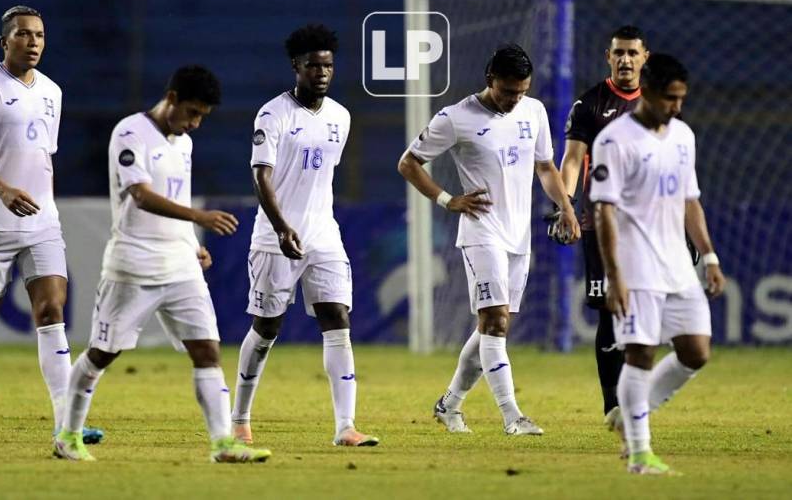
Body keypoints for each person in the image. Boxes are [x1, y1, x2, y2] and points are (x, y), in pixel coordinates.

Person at [53, 66, 271, 463]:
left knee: (207, 350)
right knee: (103, 352)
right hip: (133, 265)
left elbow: (177, 193)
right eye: (191, 112)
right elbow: (140, 195)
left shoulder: (182, 143)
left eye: (202, 115)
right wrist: (199, 218)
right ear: (170, 97)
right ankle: (67, 435)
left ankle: (223, 443)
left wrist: (191, 243)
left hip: (179, 267)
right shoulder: (131, 132)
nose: (195, 123)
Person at [398, 44, 580, 435]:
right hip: (481, 231)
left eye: (521, 91)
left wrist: (566, 205)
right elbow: (408, 163)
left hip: (519, 236)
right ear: (489, 79)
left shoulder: (533, 111)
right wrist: (447, 200)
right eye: (507, 91)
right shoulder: (455, 118)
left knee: (491, 329)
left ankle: (450, 405)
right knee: (494, 322)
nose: (514, 99)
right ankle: (513, 416)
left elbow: (546, 167)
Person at [0, 5, 102, 445]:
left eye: (39, 35)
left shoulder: (53, 91)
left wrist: (41, 200)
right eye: (22, 35)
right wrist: (2, 189)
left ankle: (64, 421)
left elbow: (41, 156)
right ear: (4, 41)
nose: (32, 42)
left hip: (42, 223)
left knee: (52, 312)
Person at [231, 24, 378, 448]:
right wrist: (281, 228)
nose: (322, 72)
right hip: (274, 236)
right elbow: (262, 175)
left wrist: (309, 227)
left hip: (323, 234)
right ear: (296, 66)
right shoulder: (272, 114)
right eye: (313, 65)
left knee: (338, 320)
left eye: (328, 65)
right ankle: (240, 419)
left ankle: (345, 426)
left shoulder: (340, 117)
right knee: (267, 326)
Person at [591, 53, 725, 475]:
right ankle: (639, 454)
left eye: (681, 98)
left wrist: (710, 256)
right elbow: (604, 213)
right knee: (640, 355)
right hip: (636, 266)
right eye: (669, 98)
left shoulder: (683, 135)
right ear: (646, 92)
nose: (676, 106)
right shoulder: (614, 141)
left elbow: (690, 201)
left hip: (677, 264)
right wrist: (613, 276)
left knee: (696, 351)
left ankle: (631, 413)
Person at [556, 25, 648, 429]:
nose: (625, 60)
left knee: (644, 310)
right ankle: (613, 405)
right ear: (608, 57)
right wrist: (566, 207)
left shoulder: (659, 104)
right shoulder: (590, 104)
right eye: (619, 53)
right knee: (609, 311)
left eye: (632, 53)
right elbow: (573, 160)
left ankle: (636, 396)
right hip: (601, 224)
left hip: (648, 225)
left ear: (645, 57)